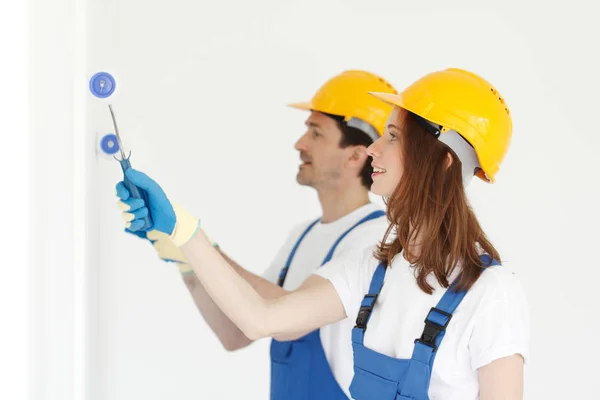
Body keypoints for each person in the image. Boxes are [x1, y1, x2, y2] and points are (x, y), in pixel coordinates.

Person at [117, 67, 530, 399]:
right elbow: (260, 319)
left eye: (392, 137)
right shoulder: (371, 268)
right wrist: (181, 233)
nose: (372, 151)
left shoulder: (491, 293)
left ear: (441, 160)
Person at [120, 70, 399, 399]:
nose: (300, 143)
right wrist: (185, 259)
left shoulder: (376, 239)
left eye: (316, 132)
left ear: (355, 155)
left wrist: (194, 240)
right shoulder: (303, 235)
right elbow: (236, 331)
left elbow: (286, 319)